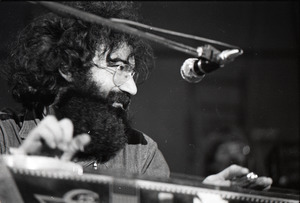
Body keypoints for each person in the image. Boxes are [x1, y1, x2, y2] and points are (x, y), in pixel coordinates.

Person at [0, 1, 272, 189]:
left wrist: (202, 198)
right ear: (68, 67)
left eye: (131, 70)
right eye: (117, 67)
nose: (132, 88)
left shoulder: (142, 153)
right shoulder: (4, 137)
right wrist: (13, 177)